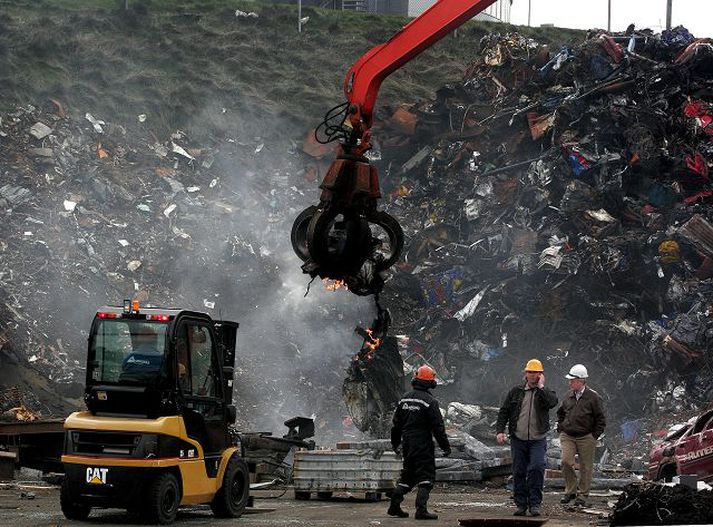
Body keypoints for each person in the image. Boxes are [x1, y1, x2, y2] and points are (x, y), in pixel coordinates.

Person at [495, 359, 558, 517]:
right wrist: (500, 431)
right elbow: (504, 412)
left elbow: (552, 403)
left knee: (536, 468)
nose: (532, 375)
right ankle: (521, 504)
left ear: (540, 375)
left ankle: (535, 504)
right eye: (530, 372)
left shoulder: (545, 393)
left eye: (536, 372)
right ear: (525, 374)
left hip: (538, 439)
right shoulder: (516, 392)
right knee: (519, 471)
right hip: (518, 439)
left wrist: (542, 387)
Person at [388, 365, 451, 521]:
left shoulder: (405, 399)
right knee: (426, 476)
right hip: (422, 443)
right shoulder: (430, 401)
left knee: (408, 475)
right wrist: (445, 447)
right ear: (431, 382)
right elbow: (438, 427)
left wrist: (395, 444)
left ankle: (394, 506)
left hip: (407, 443)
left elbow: (396, 425)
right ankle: (421, 510)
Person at [556, 364, 606, 507]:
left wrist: (593, 436)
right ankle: (570, 491)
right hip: (568, 435)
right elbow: (560, 413)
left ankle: (582, 495)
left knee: (586, 467)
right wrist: (561, 427)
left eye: (572, 380)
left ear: (581, 380)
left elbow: (600, 419)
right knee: (566, 462)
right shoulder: (568, 395)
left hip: (586, 436)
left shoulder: (594, 397)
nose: (570, 382)